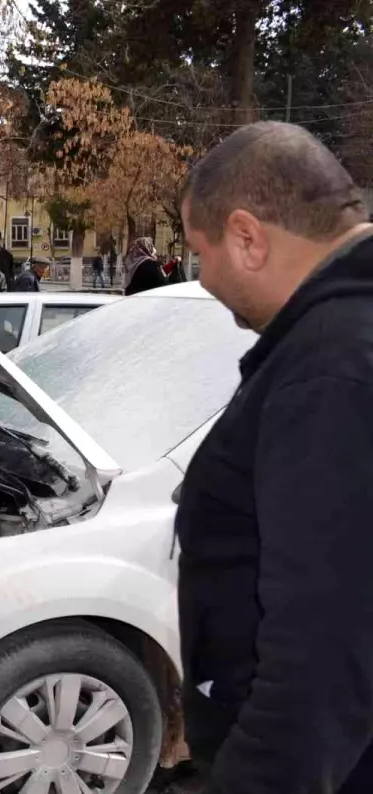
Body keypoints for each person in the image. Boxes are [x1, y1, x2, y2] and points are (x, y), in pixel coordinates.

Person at [177, 121, 373, 794]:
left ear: (247, 237)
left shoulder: (332, 368)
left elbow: (322, 651)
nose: (201, 279)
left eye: (199, 253)